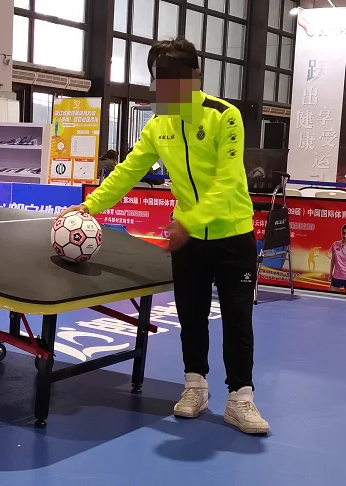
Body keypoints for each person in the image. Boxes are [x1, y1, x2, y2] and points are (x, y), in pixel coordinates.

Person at [59, 37, 268, 435]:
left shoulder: (225, 116)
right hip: (189, 242)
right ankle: (195, 387)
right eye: (160, 79)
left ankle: (240, 398)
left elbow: (226, 181)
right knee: (191, 316)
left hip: (232, 236)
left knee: (238, 319)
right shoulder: (159, 125)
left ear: (195, 75)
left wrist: (191, 221)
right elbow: (127, 171)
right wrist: (90, 206)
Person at [327, 225, 346, 292]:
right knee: (330, 296)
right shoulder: (335, 244)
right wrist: (330, 274)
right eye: (343, 233)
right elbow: (333, 260)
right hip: (337, 276)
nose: (345, 236)